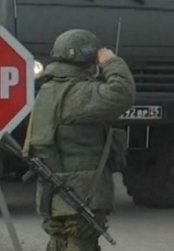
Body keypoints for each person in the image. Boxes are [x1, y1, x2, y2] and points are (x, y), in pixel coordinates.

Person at [24, 29, 135, 251]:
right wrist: (112, 62)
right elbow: (123, 93)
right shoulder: (80, 93)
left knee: (57, 243)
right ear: (90, 59)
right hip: (83, 195)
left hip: (52, 195)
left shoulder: (47, 91)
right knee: (79, 244)